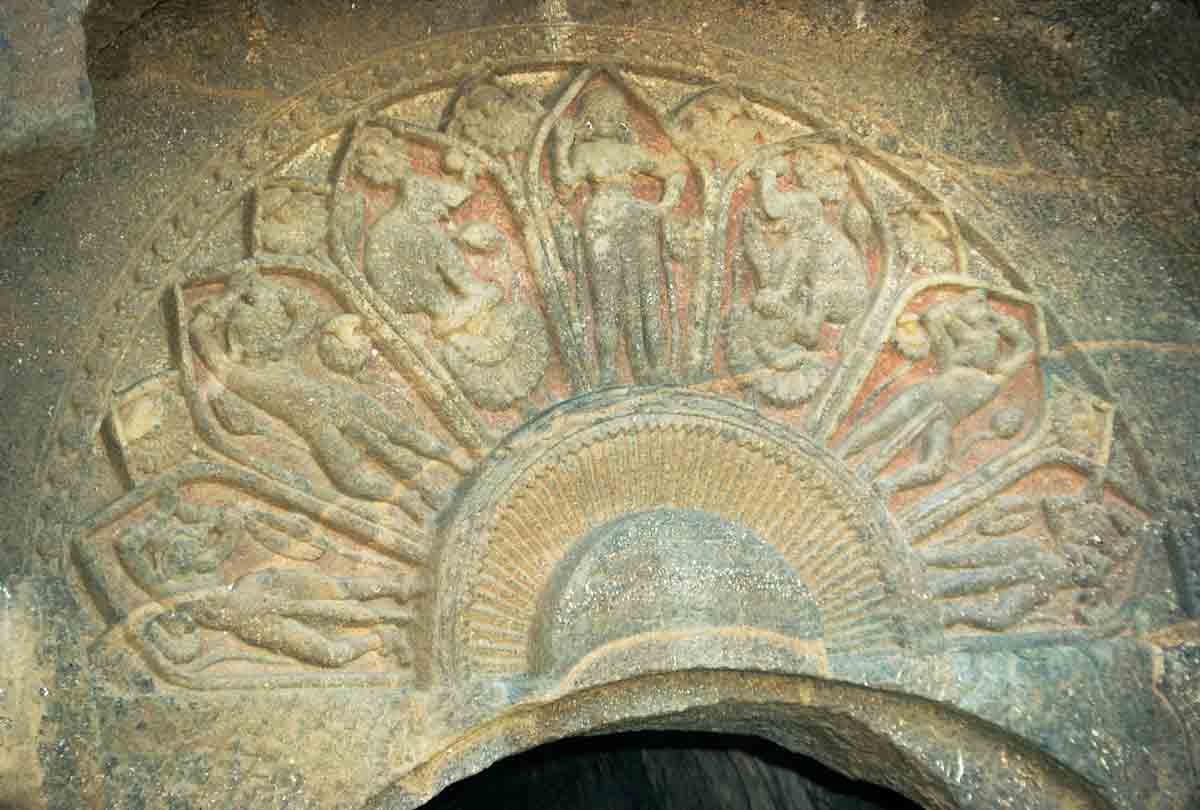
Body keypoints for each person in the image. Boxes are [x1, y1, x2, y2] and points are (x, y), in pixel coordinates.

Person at [189, 270, 466, 518]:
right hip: (316, 424)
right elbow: (198, 329)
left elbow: (306, 308)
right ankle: (407, 499)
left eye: (266, 332)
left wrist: (284, 336)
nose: (263, 340)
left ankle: (448, 461)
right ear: (236, 342)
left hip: (336, 398)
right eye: (254, 333)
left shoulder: (280, 354)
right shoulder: (235, 374)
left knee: (396, 434)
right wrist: (232, 294)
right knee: (353, 475)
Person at [837, 289, 1034, 494]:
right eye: (984, 342)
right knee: (878, 428)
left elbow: (1026, 345)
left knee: (935, 468)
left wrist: (999, 320)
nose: (991, 344)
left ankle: (886, 485)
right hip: (923, 397)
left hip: (943, 419)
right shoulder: (951, 357)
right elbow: (932, 317)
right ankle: (839, 456)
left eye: (993, 345)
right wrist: (967, 305)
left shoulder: (995, 379)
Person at [554, 84, 688, 384]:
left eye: (614, 113)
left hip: (636, 220)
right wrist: (561, 147)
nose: (608, 117)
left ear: (623, 119)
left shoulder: (631, 152)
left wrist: (664, 206)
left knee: (647, 295)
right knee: (607, 300)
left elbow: (675, 172)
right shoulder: (584, 152)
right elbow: (565, 191)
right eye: (601, 112)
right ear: (588, 117)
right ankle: (608, 371)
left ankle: (655, 366)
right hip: (601, 222)